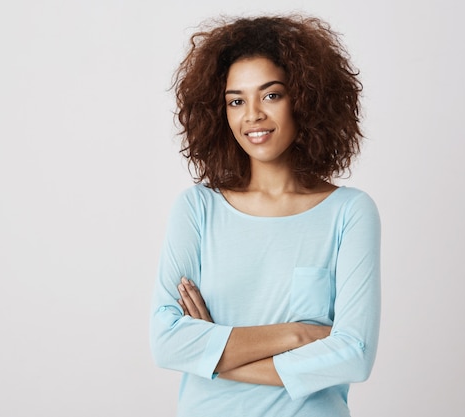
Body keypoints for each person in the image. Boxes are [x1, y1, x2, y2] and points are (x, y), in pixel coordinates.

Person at [149, 14, 381, 417]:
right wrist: (298, 334)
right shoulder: (197, 209)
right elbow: (167, 343)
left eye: (271, 95)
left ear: (305, 99)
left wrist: (213, 353)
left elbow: (354, 355)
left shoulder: (350, 212)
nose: (252, 114)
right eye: (236, 101)